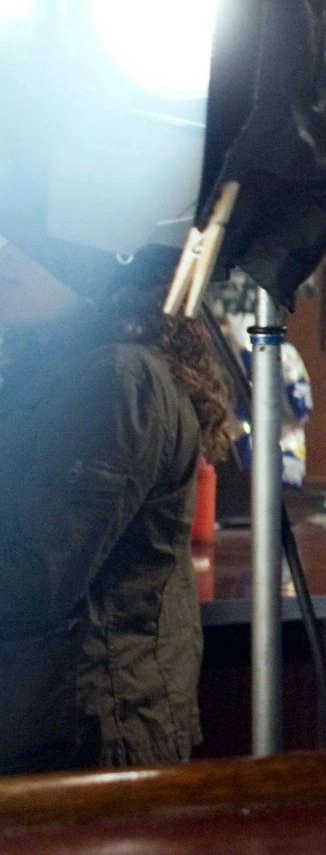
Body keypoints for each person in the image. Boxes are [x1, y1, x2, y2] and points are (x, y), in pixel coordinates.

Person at [0, 236, 234, 773]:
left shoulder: (116, 376)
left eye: (35, 240)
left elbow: (28, 577)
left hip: (84, 739)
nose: (6, 252)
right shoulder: (54, 369)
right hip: (54, 723)